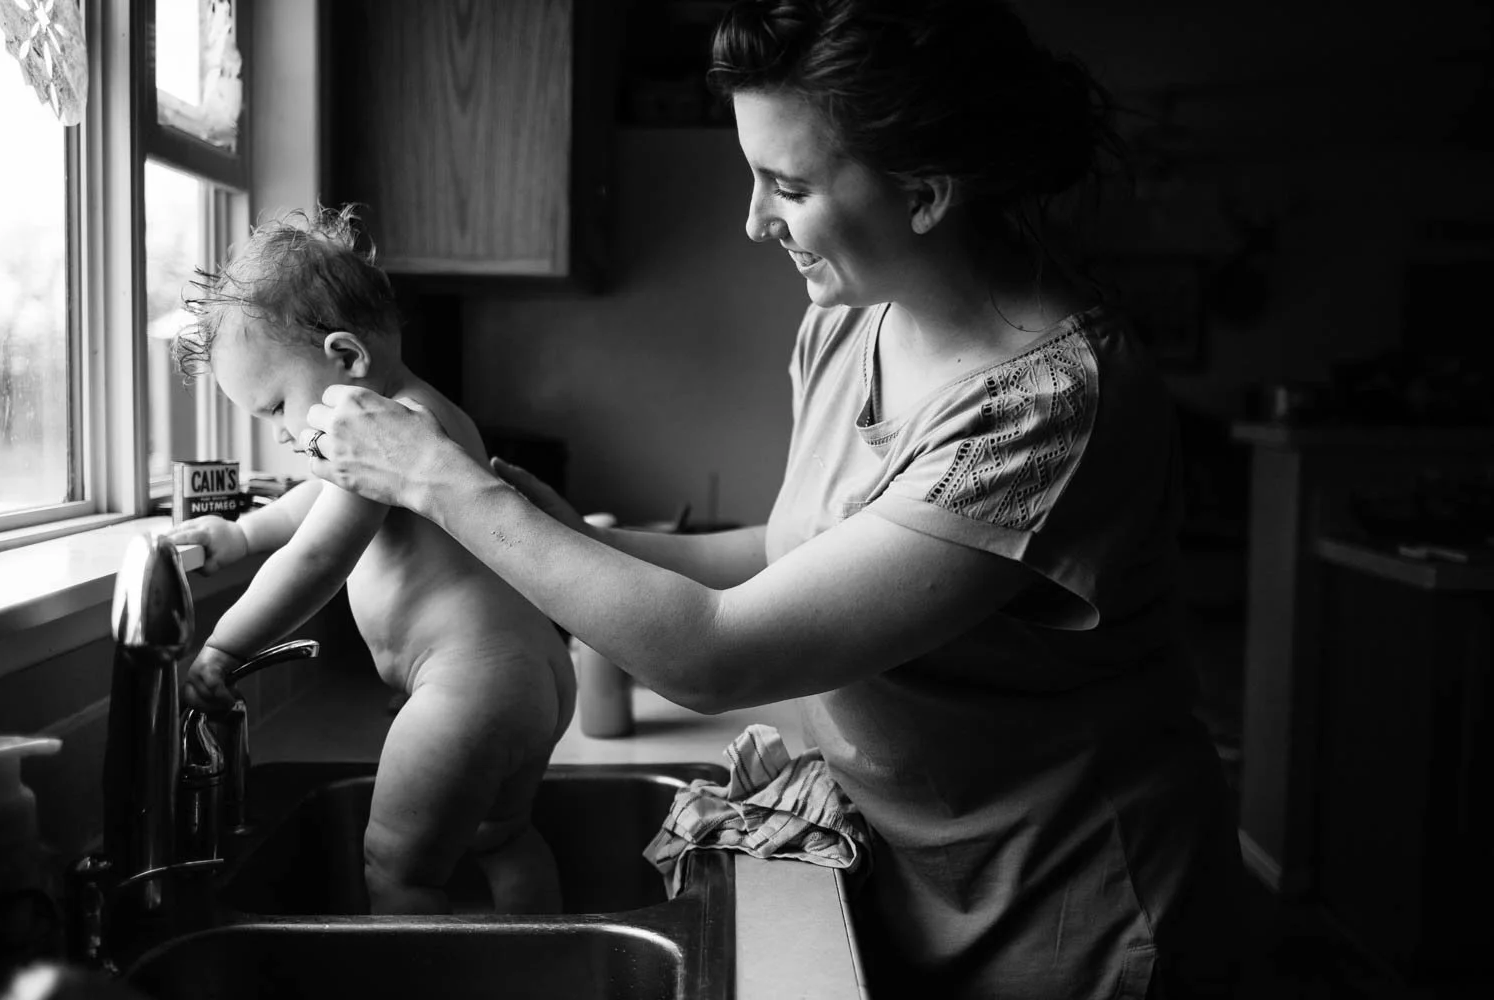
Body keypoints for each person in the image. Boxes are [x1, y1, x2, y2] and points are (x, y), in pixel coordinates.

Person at [297, 1, 1244, 995]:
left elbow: (718, 649)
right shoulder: (849, 319)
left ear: (924, 193)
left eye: (786, 184)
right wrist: (530, 515)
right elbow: (789, 560)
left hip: (1075, 920)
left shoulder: (1047, 409)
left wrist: (439, 484)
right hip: (919, 876)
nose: (754, 221)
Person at [164, 206, 576, 917]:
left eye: (276, 408)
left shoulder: (398, 428)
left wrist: (225, 648)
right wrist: (240, 536)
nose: (283, 432)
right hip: (532, 675)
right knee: (502, 840)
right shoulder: (423, 417)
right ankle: (550, 969)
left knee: (397, 870)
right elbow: (314, 508)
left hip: (464, 691)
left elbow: (318, 556)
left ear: (346, 359)